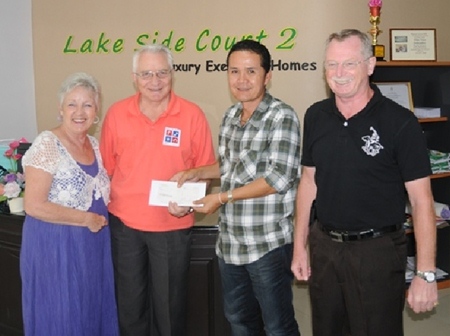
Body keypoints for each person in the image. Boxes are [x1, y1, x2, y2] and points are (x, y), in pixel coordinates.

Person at [291, 29, 438, 336]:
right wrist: (300, 246)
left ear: (370, 65)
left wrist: (425, 273)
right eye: (331, 65)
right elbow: (308, 182)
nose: (339, 73)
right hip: (326, 248)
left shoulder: (401, 123)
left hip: (379, 254)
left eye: (349, 64)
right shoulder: (316, 115)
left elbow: (422, 200)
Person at [173, 39, 301, 335]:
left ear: (267, 76)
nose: (241, 80)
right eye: (234, 72)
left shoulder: (282, 117)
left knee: (278, 326)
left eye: (251, 72)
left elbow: (277, 179)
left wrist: (221, 197)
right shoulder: (231, 116)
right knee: (239, 323)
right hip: (230, 244)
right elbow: (229, 166)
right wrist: (196, 172)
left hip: (267, 244)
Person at [99, 44, 215, 336]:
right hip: (124, 226)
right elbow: (106, 172)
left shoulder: (192, 115)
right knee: (129, 308)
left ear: (172, 74)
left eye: (162, 73)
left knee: (169, 311)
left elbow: (206, 172)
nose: (155, 81)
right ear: (134, 77)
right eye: (146, 73)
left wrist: (188, 203)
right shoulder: (116, 114)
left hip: (172, 228)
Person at [20, 72, 118, 335]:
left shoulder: (95, 145)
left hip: (93, 247)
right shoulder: (47, 144)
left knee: (89, 312)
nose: (79, 111)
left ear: (96, 110)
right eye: (72, 104)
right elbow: (34, 205)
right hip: (55, 247)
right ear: (60, 109)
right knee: (61, 314)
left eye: (87, 104)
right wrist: (85, 219)